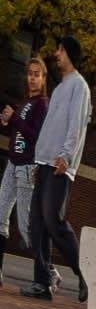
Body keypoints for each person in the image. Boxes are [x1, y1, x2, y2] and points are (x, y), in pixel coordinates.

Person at [24, 36, 87, 303]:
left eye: (60, 50)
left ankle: (85, 275)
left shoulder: (79, 86)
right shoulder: (60, 88)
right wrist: (39, 159)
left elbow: (76, 124)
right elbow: (50, 127)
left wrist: (66, 156)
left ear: (69, 53)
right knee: (36, 225)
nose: (56, 54)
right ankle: (42, 283)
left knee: (54, 221)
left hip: (60, 164)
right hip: (45, 162)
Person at [0, 56, 41, 273]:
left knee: (25, 226)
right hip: (12, 164)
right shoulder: (25, 102)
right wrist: (7, 124)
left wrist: (14, 119)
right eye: (30, 74)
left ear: (43, 78)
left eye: (37, 74)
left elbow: (36, 136)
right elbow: (18, 134)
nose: (32, 78)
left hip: (26, 168)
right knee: (0, 216)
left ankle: (48, 271)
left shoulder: (42, 105)